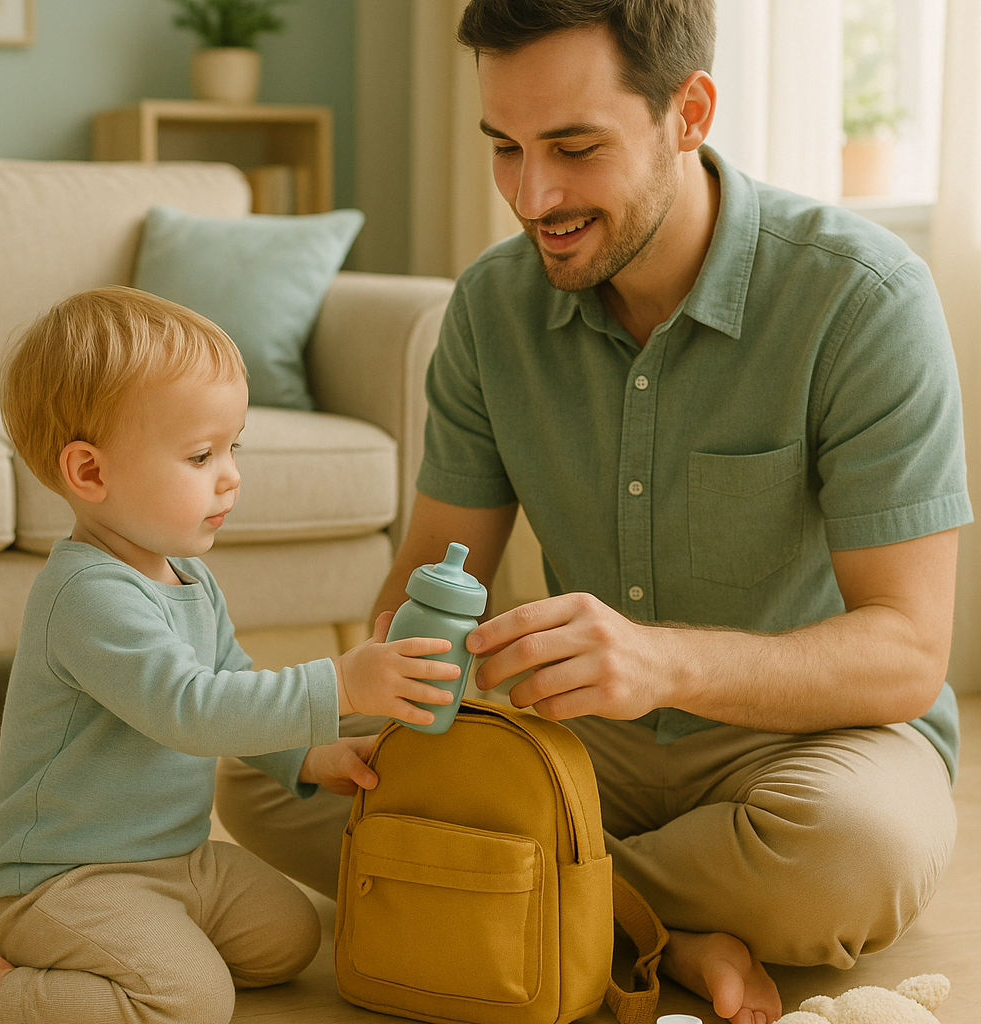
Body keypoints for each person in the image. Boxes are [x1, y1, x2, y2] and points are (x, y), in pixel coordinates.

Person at [214, 2, 973, 1022]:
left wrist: (662, 663)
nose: (533, 197)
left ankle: (530, 898)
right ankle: (654, 928)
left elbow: (905, 653)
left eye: (574, 147)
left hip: (805, 746)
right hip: (576, 743)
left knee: (855, 852)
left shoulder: (863, 298)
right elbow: (433, 574)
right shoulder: (488, 309)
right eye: (504, 149)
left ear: (689, 112)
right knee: (262, 775)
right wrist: (399, 674)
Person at [0, 286, 460, 1024]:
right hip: (65, 879)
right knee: (192, 1003)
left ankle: (140, 947)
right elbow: (192, 710)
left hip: (177, 859)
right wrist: (342, 683)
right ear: (91, 474)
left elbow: (234, 683)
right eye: (200, 455)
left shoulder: (189, 575)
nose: (230, 475)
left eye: (234, 447)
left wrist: (307, 757)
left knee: (288, 941)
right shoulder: (88, 596)